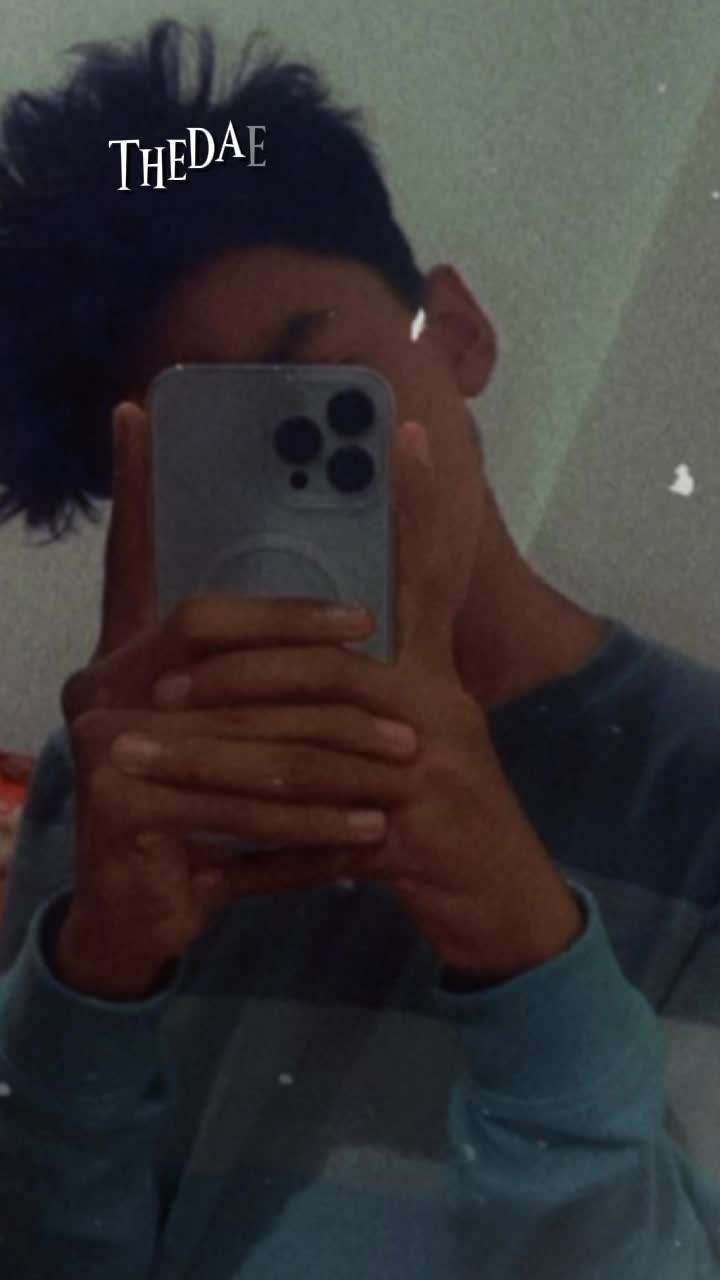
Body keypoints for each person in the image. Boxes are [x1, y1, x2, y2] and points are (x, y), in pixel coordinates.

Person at [0, 18, 718, 1280]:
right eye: (209, 452)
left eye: (320, 395)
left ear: (461, 330)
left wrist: (520, 935)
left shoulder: (701, 792)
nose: (286, 488)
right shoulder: (118, 786)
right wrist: (93, 983)